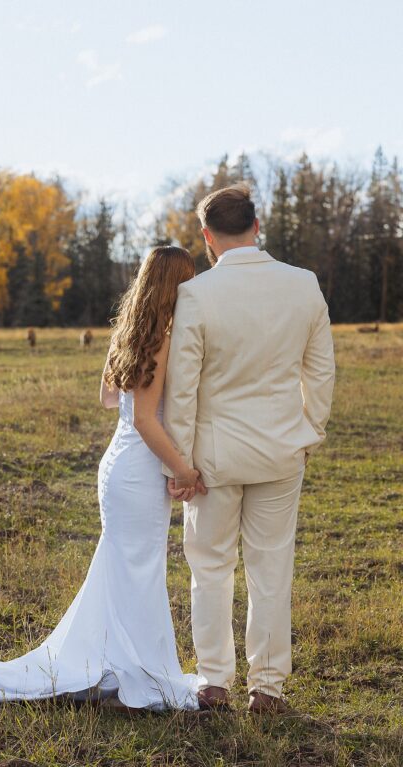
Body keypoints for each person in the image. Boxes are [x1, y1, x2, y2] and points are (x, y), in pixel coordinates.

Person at [0, 246, 202, 713]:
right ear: (177, 285)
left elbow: (108, 399)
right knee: (139, 570)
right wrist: (183, 468)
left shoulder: (128, 332)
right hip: (138, 469)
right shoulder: (161, 339)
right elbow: (144, 421)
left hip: (117, 465)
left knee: (124, 568)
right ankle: (142, 674)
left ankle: (118, 663)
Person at [164, 184, 335, 713]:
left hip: (212, 458)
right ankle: (268, 687)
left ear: (207, 236)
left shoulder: (196, 294)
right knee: (272, 568)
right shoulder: (303, 284)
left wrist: (182, 462)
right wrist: (311, 431)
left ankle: (215, 681)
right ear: (257, 228)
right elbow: (320, 371)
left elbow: (183, 387)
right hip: (282, 449)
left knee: (210, 568)